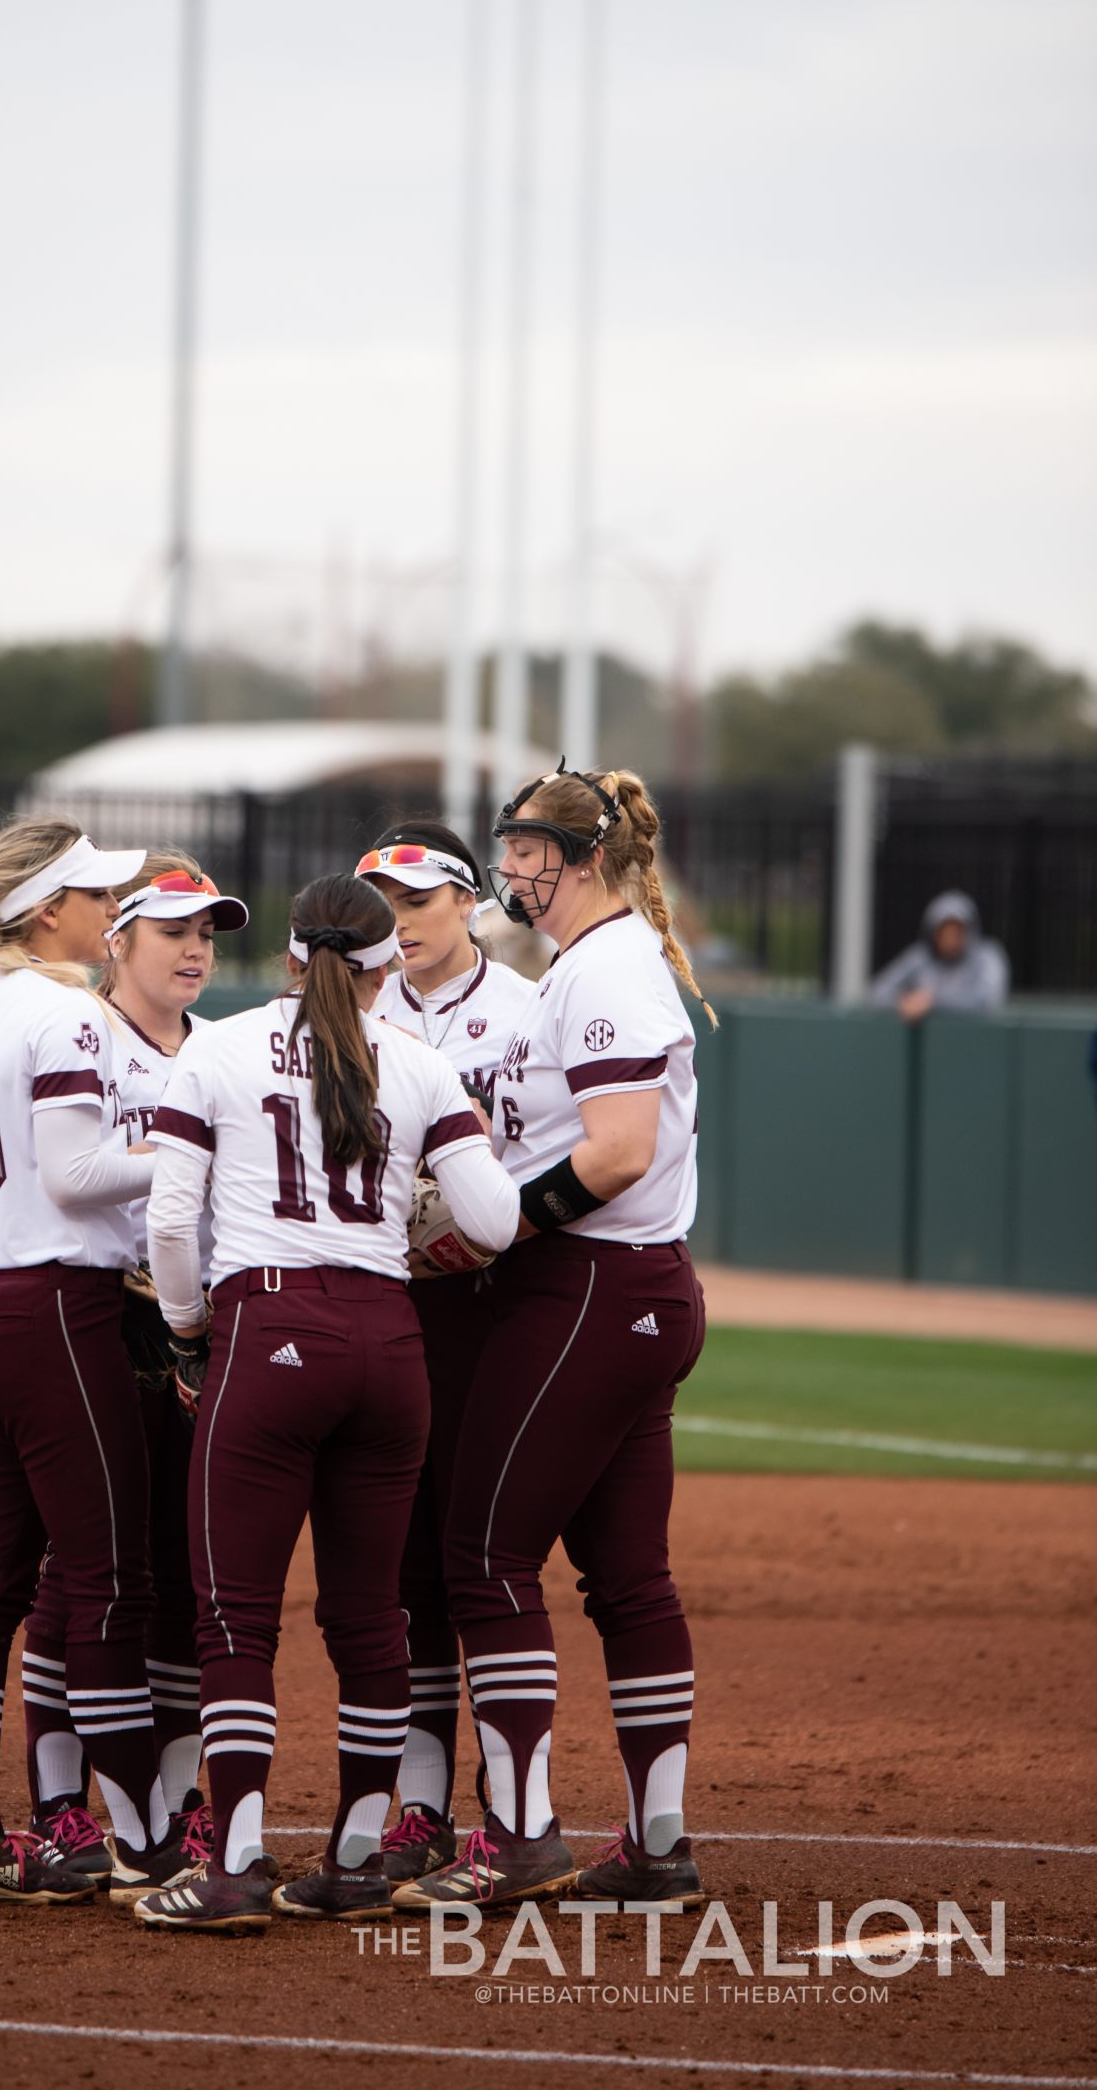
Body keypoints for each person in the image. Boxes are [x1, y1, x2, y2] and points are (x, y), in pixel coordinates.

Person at [133, 871, 526, 1932]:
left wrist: (185, 1331)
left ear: (289, 960)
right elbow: (490, 1224)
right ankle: (358, 1853)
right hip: (391, 1341)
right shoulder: (420, 1061)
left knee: (234, 1615)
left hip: (267, 1329)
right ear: (383, 964)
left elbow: (172, 1226)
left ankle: (240, 1859)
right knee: (370, 1613)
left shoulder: (213, 1047)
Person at [400, 763, 714, 1916]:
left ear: (581, 858)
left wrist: (496, 1226)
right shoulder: (595, 962)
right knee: (627, 1577)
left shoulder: (604, 965)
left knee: (481, 1553)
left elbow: (620, 1146)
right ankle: (654, 1844)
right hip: (635, 1290)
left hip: (589, 1285)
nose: (512, 865)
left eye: (529, 848)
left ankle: (522, 1835)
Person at [0, 818, 206, 1907]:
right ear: (48, 912)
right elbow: (79, 1171)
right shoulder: (65, 1012)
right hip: (51, 1312)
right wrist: (195, 1146)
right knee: (111, 1578)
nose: (106, 909)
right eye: (92, 895)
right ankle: (139, 1841)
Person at [17, 856, 249, 1884]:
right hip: (102, 1314)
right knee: (80, 1567)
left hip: (193, 1326)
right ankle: (64, 1801)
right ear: (119, 941)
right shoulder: (80, 1031)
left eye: (207, 933)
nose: (196, 949)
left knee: (174, 1563)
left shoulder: (221, 1049)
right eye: (172, 931)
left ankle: (171, 1796)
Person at [350, 824, 540, 1886]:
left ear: (466, 902)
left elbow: (557, 1160)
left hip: (493, 1305)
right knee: (404, 1560)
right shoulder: (348, 1011)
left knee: (481, 1552)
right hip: (386, 1307)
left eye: (414, 901)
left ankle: (511, 1808)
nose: (396, 924)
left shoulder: (527, 1009)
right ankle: (416, 1801)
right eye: (379, 903)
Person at [869, 890, 1009, 1020]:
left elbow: (988, 1000)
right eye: (944, 932)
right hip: (927, 1044)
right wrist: (905, 1001)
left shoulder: (987, 956)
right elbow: (877, 993)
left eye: (957, 932)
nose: (951, 940)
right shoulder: (920, 958)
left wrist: (933, 1001)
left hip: (975, 1041)